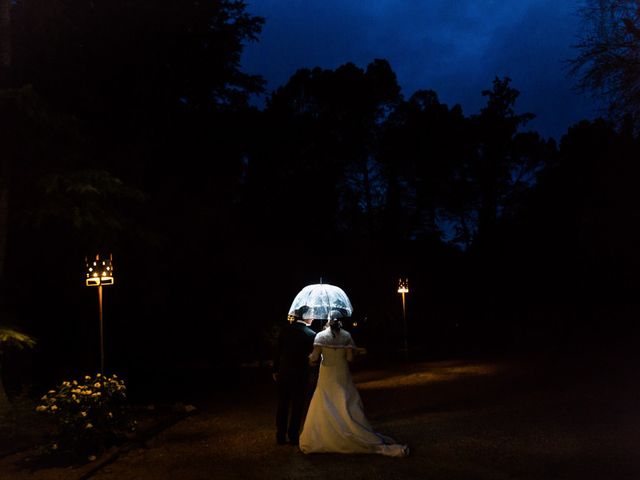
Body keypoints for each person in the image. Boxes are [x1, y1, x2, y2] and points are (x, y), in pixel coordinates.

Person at [299, 314, 409, 457]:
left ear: (328, 321)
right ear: (340, 322)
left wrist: (312, 359)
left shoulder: (320, 336)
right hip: (341, 373)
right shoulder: (346, 336)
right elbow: (350, 358)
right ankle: (350, 427)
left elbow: (314, 358)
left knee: (326, 401)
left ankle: (326, 434)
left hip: (327, 375)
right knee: (345, 400)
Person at [272, 309, 316, 446]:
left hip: (284, 372)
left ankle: (280, 435)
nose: (313, 318)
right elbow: (312, 356)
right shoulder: (311, 334)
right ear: (307, 317)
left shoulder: (285, 331)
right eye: (312, 315)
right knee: (297, 406)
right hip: (300, 374)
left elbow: (277, 352)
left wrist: (275, 369)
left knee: (282, 405)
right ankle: (293, 435)